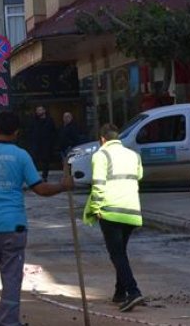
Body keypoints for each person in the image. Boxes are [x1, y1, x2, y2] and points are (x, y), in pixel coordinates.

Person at [0, 111, 73, 325]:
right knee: (12, 280)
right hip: (14, 227)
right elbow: (40, 189)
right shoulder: (21, 156)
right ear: (16, 132)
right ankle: (8, 322)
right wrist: (63, 185)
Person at [83, 123, 145, 313]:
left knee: (116, 253)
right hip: (132, 209)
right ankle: (120, 292)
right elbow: (140, 176)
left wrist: (95, 208)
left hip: (110, 210)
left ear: (102, 139)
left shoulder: (101, 155)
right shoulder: (133, 155)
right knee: (121, 252)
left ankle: (133, 292)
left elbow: (99, 185)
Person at [29, 105, 57, 182]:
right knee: (34, 160)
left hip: (46, 144)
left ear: (44, 111)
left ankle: (44, 176)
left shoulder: (49, 120)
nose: (39, 112)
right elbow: (31, 131)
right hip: (36, 144)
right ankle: (34, 177)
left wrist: (52, 143)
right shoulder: (34, 121)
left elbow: (53, 132)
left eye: (40, 110)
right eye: (37, 110)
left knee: (46, 161)